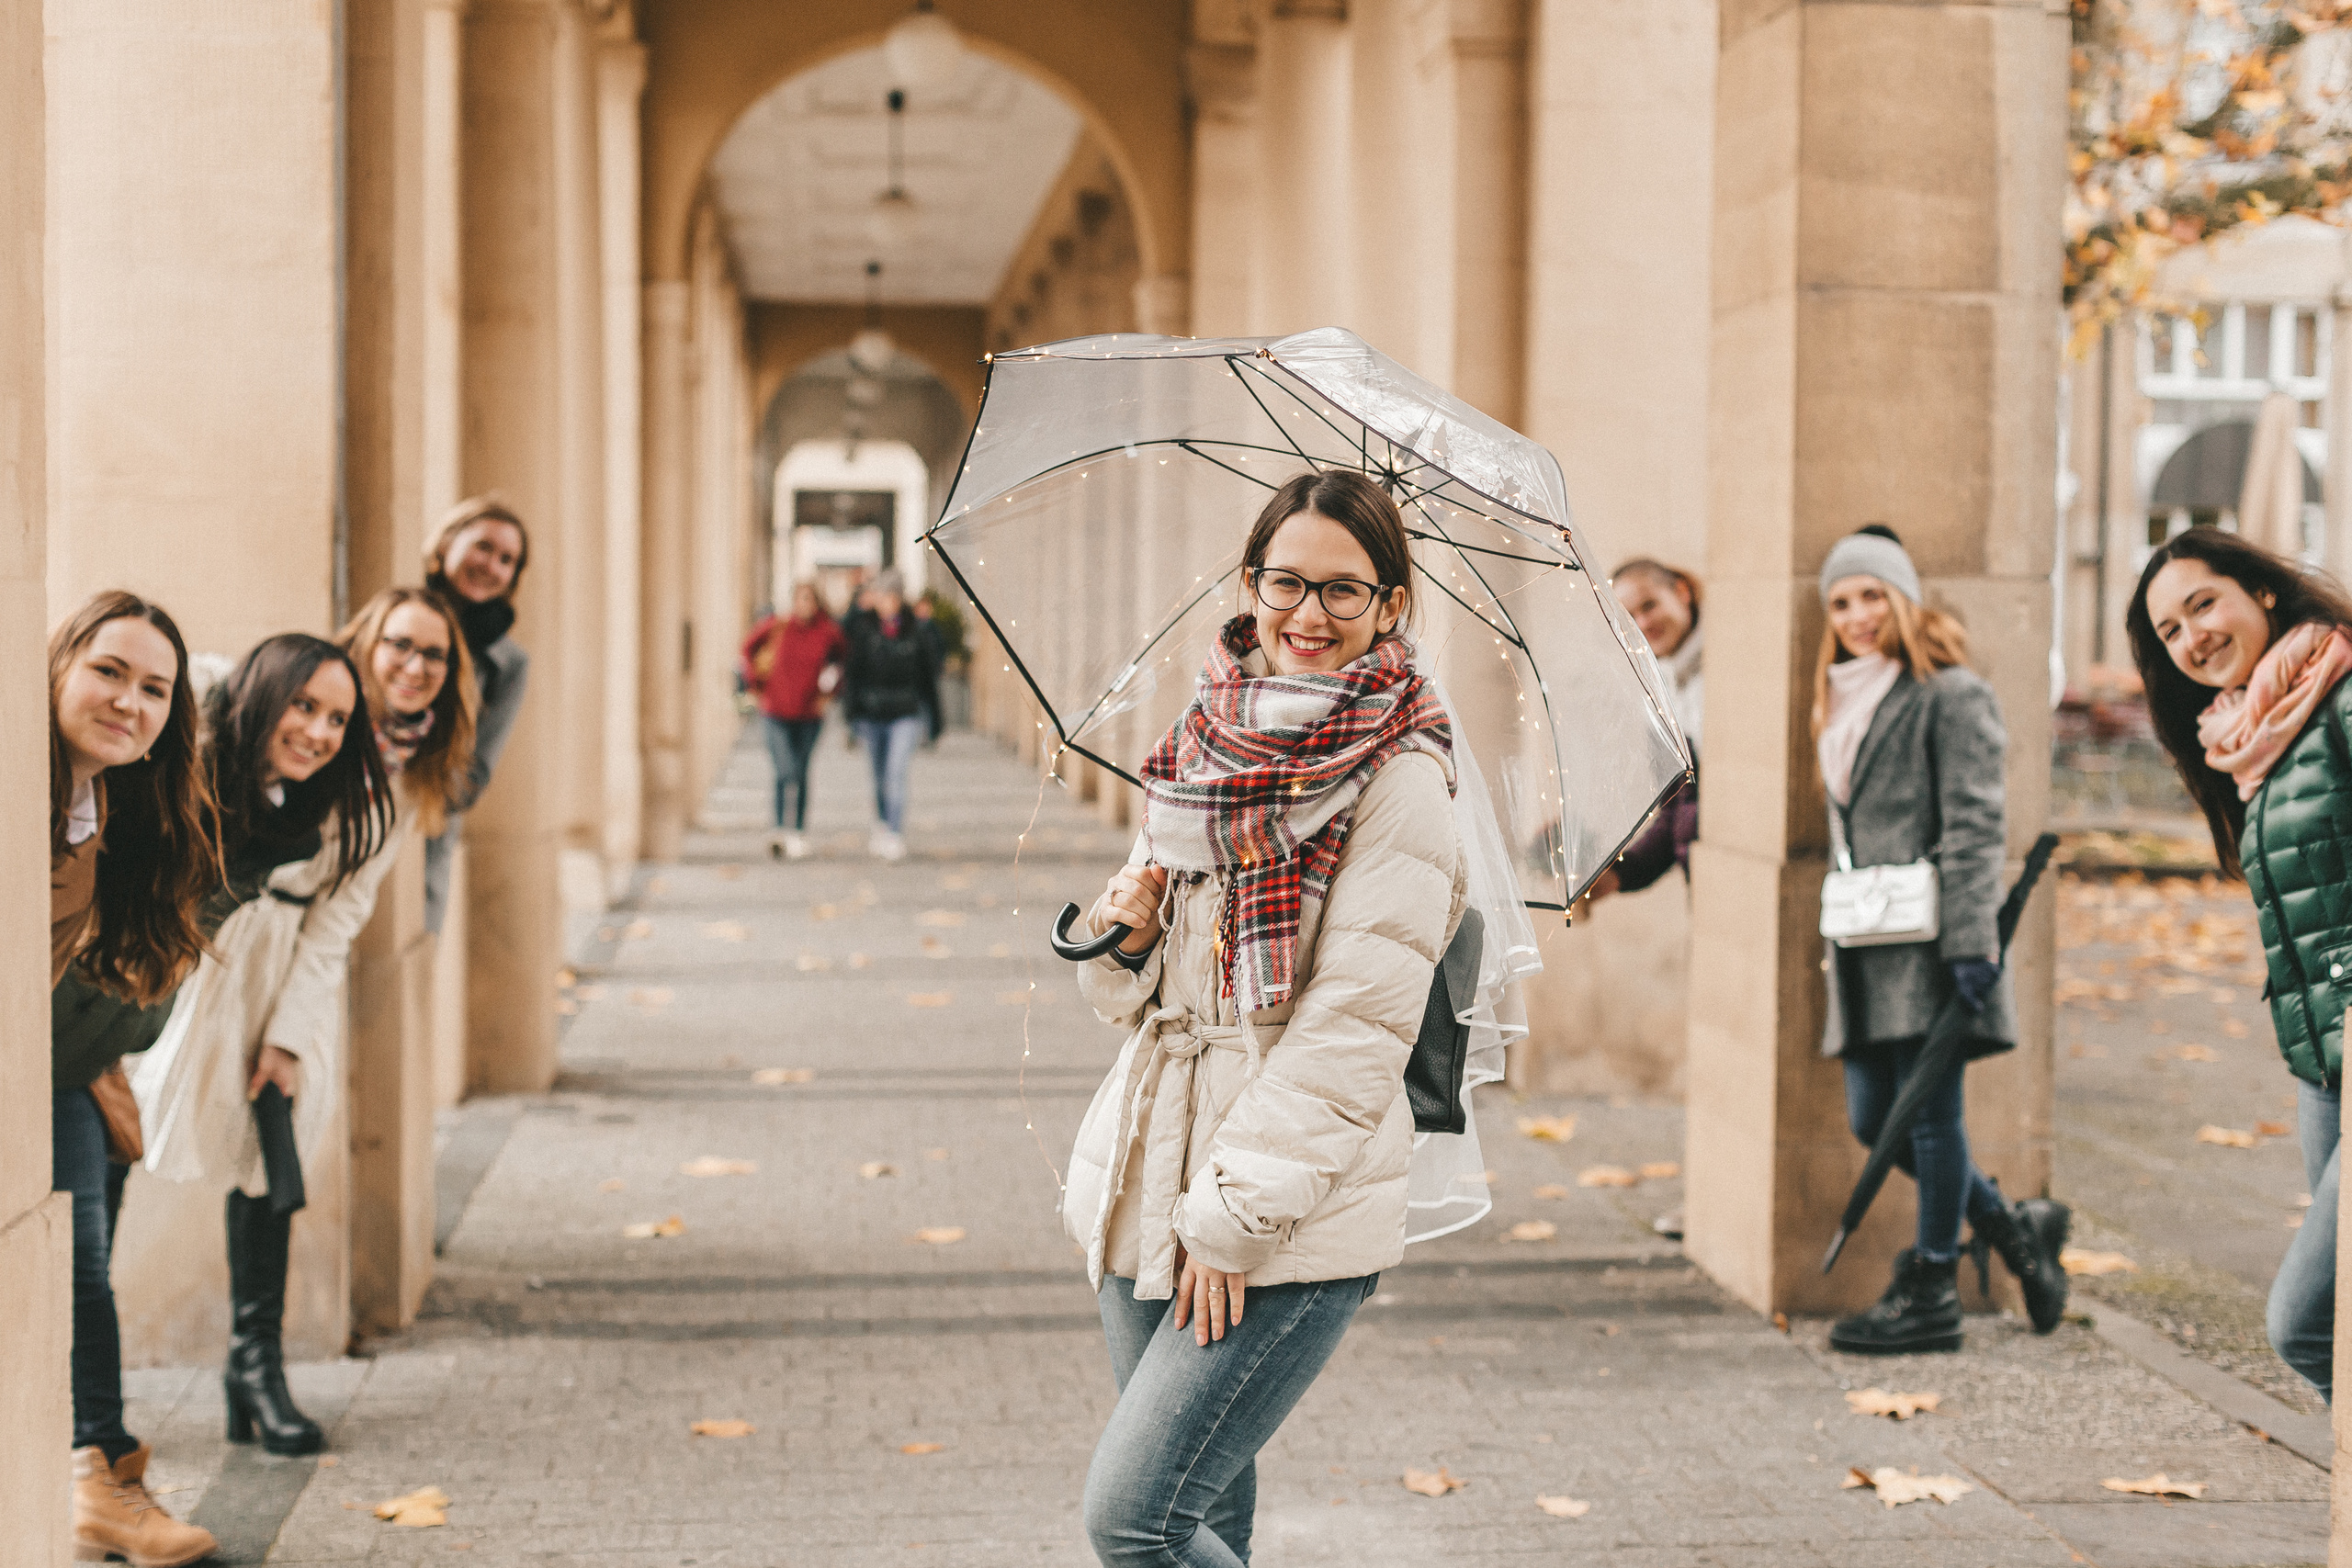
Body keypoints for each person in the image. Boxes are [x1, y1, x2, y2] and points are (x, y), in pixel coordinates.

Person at [1066, 469, 1464, 1565]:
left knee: (1132, 1521)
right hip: (1145, 1174)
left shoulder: (1402, 782)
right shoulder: (1205, 744)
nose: (1309, 616)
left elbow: (1352, 1036)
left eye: (1345, 592)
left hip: (1274, 1206)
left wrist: (1232, 1218)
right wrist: (1130, 930)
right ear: (1250, 584)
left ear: (1390, 605)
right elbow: (1120, 1000)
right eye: (1287, 582)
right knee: (1202, 1517)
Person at [130, 634, 397, 1456]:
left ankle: (256, 1366)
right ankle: (80, 1400)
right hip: (177, 956)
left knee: (266, 1161)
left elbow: (333, 932)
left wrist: (286, 1040)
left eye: (337, 718)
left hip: (276, 975)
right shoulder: (201, 750)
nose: (317, 731)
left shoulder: (358, 809)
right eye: (304, 705)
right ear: (265, 693)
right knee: (109, 1143)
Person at [1814, 525, 2069, 1355]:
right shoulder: (1840, 695)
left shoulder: (1949, 693)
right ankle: (2013, 1227)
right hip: (1863, 937)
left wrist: (1971, 946)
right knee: (1871, 1118)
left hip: (1929, 942)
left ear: (1903, 598)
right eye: (1841, 601)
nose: (1856, 614)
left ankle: (1933, 1285)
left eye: (1870, 595)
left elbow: (1974, 826)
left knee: (1928, 1119)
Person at [2128, 527, 2352, 1402]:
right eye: (2171, 631)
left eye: (2202, 604)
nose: (2192, 637)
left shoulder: (2336, 699)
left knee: (2303, 1322)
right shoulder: (2249, 736)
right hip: (2319, 1067)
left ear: (2260, 590)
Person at [46, 592, 220, 1567]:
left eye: (156, 688)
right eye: (109, 671)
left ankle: (98, 1464)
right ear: (61, 661)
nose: (130, 701)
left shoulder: (109, 802)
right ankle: (95, 1467)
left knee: (80, 1254)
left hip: (57, 1066)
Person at [421, 495, 530, 932]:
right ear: (448, 542)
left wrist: (419, 795)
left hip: (426, 830)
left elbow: (476, 771)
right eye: (483, 546)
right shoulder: (392, 618)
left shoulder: (509, 663)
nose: (492, 565)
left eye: (508, 559)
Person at [1597, 558, 1704, 896]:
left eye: (1650, 605)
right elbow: (1676, 811)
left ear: (1682, 592)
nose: (1643, 623)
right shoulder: (1660, 694)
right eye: (1630, 617)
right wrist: (1618, 876)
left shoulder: (1731, 665)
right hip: (1702, 886)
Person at [740, 581, 846, 860]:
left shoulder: (828, 633)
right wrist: (755, 685)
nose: (804, 605)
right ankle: (778, 828)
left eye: (809, 599)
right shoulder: (777, 626)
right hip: (775, 711)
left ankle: (797, 830)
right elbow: (747, 649)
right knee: (783, 770)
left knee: (800, 771)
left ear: (817, 602)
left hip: (810, 714)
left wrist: (830, 693)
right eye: (800, 599)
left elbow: (842, 663)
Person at [842, 567, 939, 862]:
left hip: (905, 712)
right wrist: (852, 714)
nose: (887, 602)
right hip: (871, 714)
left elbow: (928, 674)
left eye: (892, 595)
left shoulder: (916, 628)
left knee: (896, 774)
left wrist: (935, 719)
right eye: (882, 595)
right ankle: (882, 824)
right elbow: (852, 671)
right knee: (878, 776)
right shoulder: (863, 626)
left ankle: (894, 833)